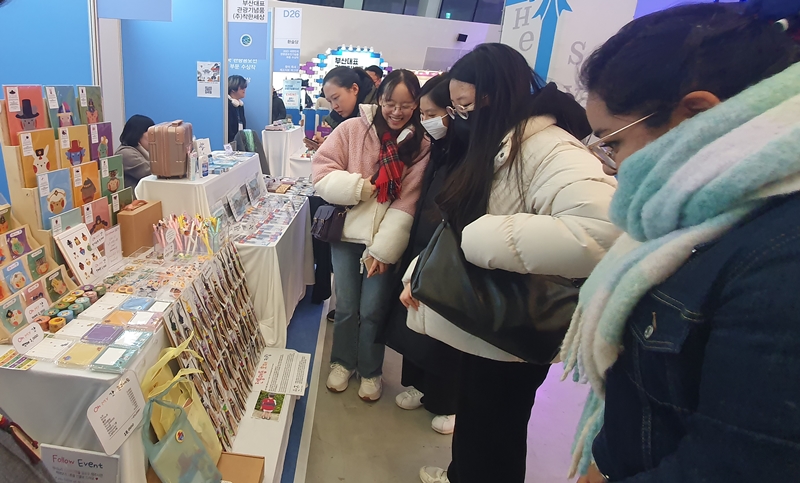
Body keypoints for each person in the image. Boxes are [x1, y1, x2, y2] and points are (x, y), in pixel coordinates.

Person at [556, 4, 800, 483]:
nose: (610, 164)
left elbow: (742, 465)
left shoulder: (780, 257)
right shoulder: (700, 212)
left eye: (613, 141)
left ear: (696, 114)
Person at [410, 43, 620, 483]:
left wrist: (482, 238)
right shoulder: (504, 142)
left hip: (513, 322)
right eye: (455, 107)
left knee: (497, 431)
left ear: (494, 97)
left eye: (466, 106)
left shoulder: (551, 148)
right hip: (485, 316)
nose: (459, 117)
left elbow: (602, 229)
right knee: (477, 418)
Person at [312, 69, 431, 402]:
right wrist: (361, 188)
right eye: (390, 102)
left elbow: (409, 200)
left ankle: (371, 370)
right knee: (347, 305)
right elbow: (321, 170)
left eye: (406, 105)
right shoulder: (353, 128)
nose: (396, 111)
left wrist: (383, 250)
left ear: (416, 104)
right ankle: (342, 362)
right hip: (347, 235)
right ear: (379, 99)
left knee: (374, 308)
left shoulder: (420, 143)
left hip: (383, 241)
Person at [385, 73, 460, 435]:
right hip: (420, 240)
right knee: (415, 322)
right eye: (424, 113)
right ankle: (420, 384)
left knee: (444, 329)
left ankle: (447, 400)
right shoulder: (432, 142)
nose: (425, 119)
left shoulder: (468, 148)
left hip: (448, 248)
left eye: (431, 112)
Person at [117, 114, 155, 191]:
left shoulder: (143, 151)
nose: (154, 137)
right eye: (150, 133)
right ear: (138, 133)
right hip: (135, 201)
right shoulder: (125, 154)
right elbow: (151, 173)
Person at [228, 75, 247, 142]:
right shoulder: (226, 105)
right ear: (233, 88)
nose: (244, 90)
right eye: (242, 87)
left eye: (245, 87)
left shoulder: (240, 105)